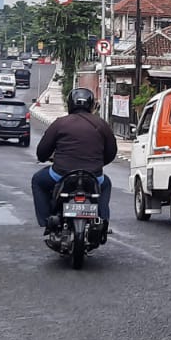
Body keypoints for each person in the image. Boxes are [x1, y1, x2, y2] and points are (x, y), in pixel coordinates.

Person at [32, 88, 117, 233]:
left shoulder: (60, 123)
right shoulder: (102, 125)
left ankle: (47, 221)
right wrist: (97, 164)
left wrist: (47, 158)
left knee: (38, 181)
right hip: (93, 175)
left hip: (61, 173)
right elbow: (111, 153)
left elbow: (42, 152)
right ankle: (103, 220)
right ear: (91, 106)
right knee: (106, 183)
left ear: (70, 104)